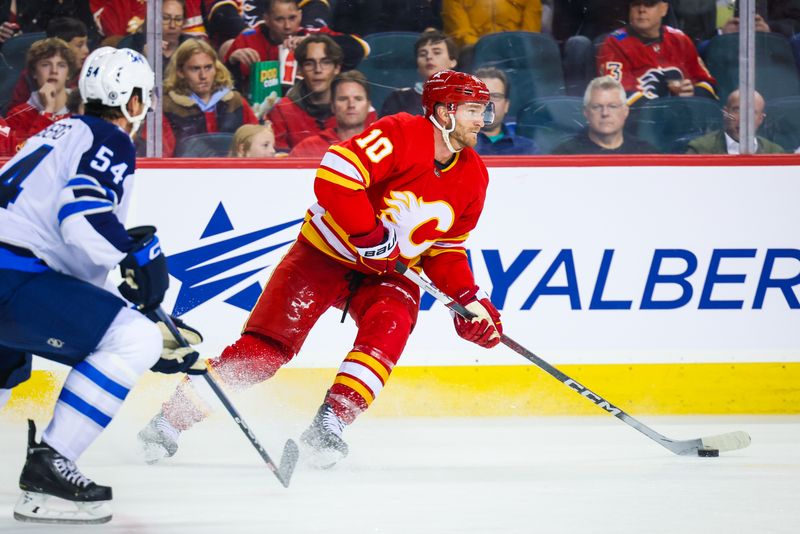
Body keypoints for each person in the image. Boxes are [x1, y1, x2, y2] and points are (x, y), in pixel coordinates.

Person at [138, 69, 504, 469]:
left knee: (391, 324)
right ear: (444, 111)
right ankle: (168, 421)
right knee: (264, 353)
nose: (482, 121)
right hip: (324, 255)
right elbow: (335, 174)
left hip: (388, 273)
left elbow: (445, 250)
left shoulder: (474, 175)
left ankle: (329, 424)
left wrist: (469, 299)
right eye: (473, 110)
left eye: (483, 111)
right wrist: (368, 234)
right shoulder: (401, 133)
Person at [0, 47, 203, 525]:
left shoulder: (56, 132)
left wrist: (126, 296)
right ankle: (50, 470)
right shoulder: (111, 138)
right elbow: (81, 215)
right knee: (133, 338)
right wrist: (137, 257)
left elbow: (64, 253)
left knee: (7, 364)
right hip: (11, 276)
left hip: (14, 272)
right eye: (144, 96)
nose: (146, 106)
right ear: (129, 99)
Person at [223, 0, 369, 93]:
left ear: (300, 15)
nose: (287, 26)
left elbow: (362, 48)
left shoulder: (312, 35)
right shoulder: (248, 39)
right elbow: (225, 86)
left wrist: (313, 42)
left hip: (307, 109)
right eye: (279, 19)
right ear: (266, 19)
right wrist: (232, 63)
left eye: (292, 18)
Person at [267, 34, 376, 152]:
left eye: (325, 62)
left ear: (337, 68)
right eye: (309, 63)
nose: (318, 70)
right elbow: (279, 163)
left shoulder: (361, 110)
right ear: (300, 70)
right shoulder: (282, 109)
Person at [596, 0, 718, 106]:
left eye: (650, 4)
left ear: (664, 9)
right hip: (640, 124)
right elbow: (618, 94)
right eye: (636, 4)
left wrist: (693, 92)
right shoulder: (614, 43)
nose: (641, 10)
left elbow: (708, 84)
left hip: (685, 118)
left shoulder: (680, 39)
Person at [160, 39, 259, 157]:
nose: (203, 76)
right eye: (195, 69)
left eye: (208, 67)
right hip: (187, 173)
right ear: (180, 72)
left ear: (216, 68)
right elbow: (162, 158)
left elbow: (257, 145)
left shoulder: (235, 101)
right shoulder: (167, 107)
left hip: (234, 172)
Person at [551, 75, 655, 154]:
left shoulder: (645, 153)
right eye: (597, 107)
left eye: (612, 106)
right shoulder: (565, 155)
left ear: (625, 111)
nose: (605, 113)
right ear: (586, 113)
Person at [6, 17, 90, 113]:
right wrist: (47, 111)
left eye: (61, 65)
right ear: (61, 45)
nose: (86, 51)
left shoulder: (89, 74)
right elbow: (14, 116)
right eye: (79, 45)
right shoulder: (28, 77)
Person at [5, 38, 77, 144]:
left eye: (61, 65)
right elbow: (27, 156)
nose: (54, 71)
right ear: (34, 72)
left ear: (69, 73)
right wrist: (47, 112)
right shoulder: (18, 116)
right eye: (45, 65)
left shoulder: (83, 109)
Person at [289, 70, 373, 158]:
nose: (351, 105)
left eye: (358, 99)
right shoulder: (308, 148)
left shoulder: (384, 147)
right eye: (343, 99)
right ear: (332, 106)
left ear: (368, 106)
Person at [380, 29, 458, 117]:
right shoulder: (398, 99)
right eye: (422, 54)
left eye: (437, 52)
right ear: (418, 66)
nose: (429, 57)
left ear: (452, 61)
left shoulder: (468, 98)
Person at [685, 89, 784, 154]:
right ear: (726, 114)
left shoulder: (775, 152)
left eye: (752, 112)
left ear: (761, 119)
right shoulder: (701, 150)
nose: (744, 119)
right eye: (737, 110)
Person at [474, 67, 537, 156]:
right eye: (481, 95)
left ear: (506, 105)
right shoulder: (455, 147)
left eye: (495, 96)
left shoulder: (527, 149)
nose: (488, 103)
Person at [442, 0, 542, 49]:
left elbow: (530, 34)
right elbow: (460, 34)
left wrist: (513, 47)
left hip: (517, 53)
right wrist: (490, 49)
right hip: (474, 54)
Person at [331, 0, 443, 35]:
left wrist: (431, 29)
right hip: (366, 54)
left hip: (404, 55)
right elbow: (342, 22)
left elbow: (429, 20)